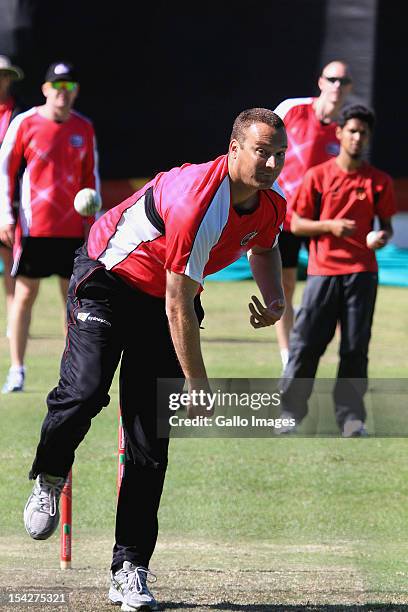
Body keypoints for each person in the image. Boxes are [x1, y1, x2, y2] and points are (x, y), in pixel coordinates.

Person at [23, 108, 287, 611]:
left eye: (279, 155)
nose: (272, 164)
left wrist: (274, 298)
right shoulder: (198, 202)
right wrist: (198, 381)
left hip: (164, 302)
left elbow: (264, 246)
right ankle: (51, 475)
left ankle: (129, 569)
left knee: (149, 441)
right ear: (233, 148)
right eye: (261, 152)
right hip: (107, 281)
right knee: (84, 393)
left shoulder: (272, 203)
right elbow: (177, 302)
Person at [279, 105, 396, 437]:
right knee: (306, 344)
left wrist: (382, 237)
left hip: (362, 273)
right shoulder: (318, 176)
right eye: (353, 131)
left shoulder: (379, 181)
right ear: (340, 133)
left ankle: (351, 418)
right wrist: (329, 226)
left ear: (369, 138)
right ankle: (290, 412)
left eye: (364, 133)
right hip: (323, 272)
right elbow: (297, 224)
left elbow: (385, 226)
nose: (358, 137)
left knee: (356, 347)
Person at [0, 61, 100, 393]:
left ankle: (70, 372)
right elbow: (5, 171)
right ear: (45, 89)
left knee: (72, 300)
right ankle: (17, 369)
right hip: (34, 229)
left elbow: (92, 178)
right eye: (57, 86)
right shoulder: (24, 123)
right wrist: (5, 216)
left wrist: (94, 224)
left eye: (70, 87)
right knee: (24, 294)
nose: (63, 92)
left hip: (72, 230)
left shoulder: (83, 127)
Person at [274, 60, 353, 369]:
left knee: (335, 290)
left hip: (320, 222)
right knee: (283, 289)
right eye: (332, 79)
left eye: (343, 81)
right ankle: (287, 359)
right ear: (321, 81)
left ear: (349, 88)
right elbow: (260, 143)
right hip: (281, 216)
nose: (337, 85)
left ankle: (347, 360)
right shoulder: (292, 109)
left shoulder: (346, 129)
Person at [0, 55, 24, 336]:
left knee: (10, 260)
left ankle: (12, 316)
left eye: (4, 76)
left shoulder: (19, 115)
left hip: (9, 197)